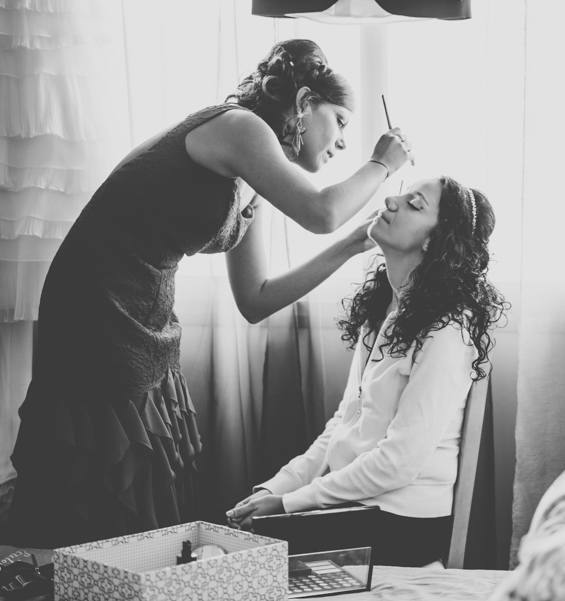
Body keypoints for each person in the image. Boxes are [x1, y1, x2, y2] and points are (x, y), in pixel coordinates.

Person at [7, 39, 412, 549]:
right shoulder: (239, 126)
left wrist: (354, 245)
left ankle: (131, 574)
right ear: (305, 103)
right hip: (97, 304)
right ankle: (87, 574)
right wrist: (383, 163)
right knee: (104, 465)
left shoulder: (251, 175)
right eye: (341, 122)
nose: (342, 144)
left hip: (145, 310)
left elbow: (256, 298)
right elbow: (321, 213)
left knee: (145, 466)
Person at [225, 177, 509, 567]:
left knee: (250, 554)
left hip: (403, 521)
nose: (390, 200)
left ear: (435, 240)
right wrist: (275, 488)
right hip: (353, 504)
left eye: (414, 204)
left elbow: (400, 462)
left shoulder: (449, 328)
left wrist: (290, 504)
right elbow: (341, 427)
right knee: (237, 532)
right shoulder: (383, 315)